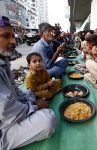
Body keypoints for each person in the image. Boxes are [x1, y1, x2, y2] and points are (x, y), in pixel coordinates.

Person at [0, 16, 56, 150]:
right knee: (48, 119)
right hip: (4, 125)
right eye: (6, 36)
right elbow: (7, 111)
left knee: (29, 93)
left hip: (11, 112)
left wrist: (31, 102)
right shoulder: (39, 47)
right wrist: (35, 107)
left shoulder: (4, 62)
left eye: (13, 36)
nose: (13, 41)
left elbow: (15, 91)